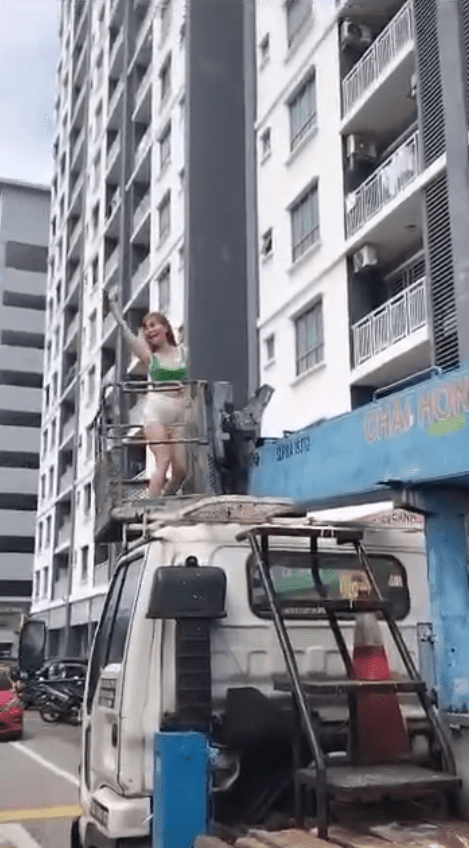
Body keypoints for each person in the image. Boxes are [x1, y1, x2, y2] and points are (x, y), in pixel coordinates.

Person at [106, 289, 188, 497]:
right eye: (145, 328)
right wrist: (115, 309)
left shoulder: (183, 352)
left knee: (181, 470)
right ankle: (150, 508)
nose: (149, 330)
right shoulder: (151, 357)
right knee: (163, 461)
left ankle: (162, 499)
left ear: (165, 327)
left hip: (179, 414)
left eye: (153, 325)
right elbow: (127, 334)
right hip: (156, 412)